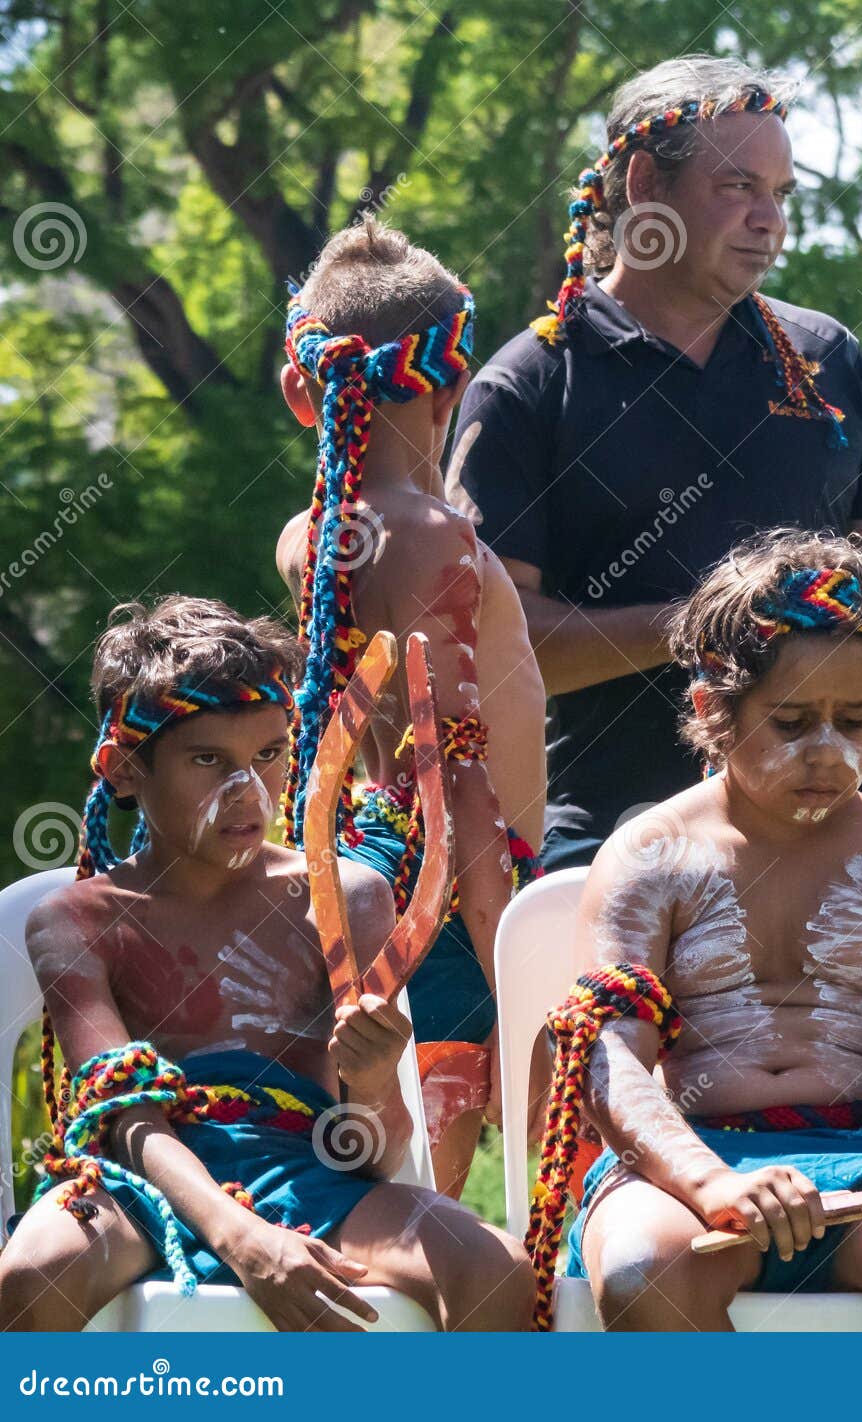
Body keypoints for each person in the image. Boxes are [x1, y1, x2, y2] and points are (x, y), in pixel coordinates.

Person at [548, 530, 862, 1331]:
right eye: (792, 723)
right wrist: (709, 1182)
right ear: (713, 710)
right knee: (648, 1271)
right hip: (687, 1164)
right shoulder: (652, 857)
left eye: (853, 721)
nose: (828, 753)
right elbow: (609, 1065)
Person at [0, 596, 536, 1331]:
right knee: (31, 1275)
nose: (248, 792)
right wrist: (240, 1236)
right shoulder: (76, 921)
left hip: (312, 1168)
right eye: (207, 760)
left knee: (493, 1267)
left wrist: (374, 1079)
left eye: (269, 756)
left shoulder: (345, 897)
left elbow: (378, 1152)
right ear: (124, 770)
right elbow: (128, 1118)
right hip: (141, 1184)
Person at [445, 55, 862, 871]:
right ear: (649, 182)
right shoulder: (529, 385)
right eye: (739, 187)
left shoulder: (825, 360)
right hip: (609, 842)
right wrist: (714, 620)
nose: (771, 220)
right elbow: (494, 647)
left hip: (829, 833)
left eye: (781, 194)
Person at [275, 218, 546, 1197]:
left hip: (355, 857)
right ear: (451, 381)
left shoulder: (309, 536)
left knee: (372, 1181)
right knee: (427, 1192)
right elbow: (452, 754)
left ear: (303, 391)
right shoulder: (435, 540)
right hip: (446, 885)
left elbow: (370, 732)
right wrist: (501, 939)